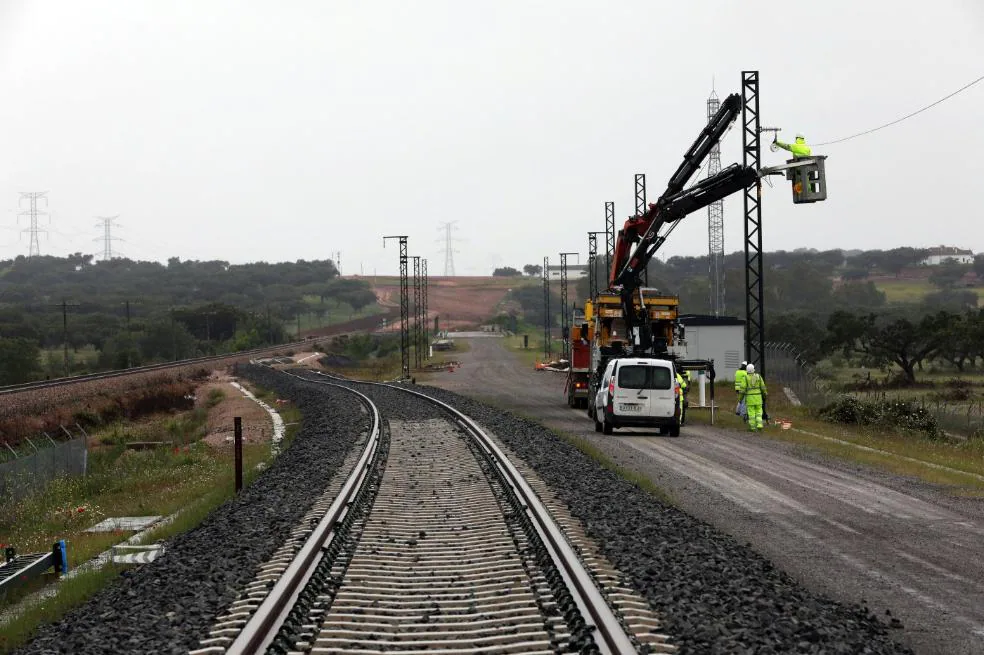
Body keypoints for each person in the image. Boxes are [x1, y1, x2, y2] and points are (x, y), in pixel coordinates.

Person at [738, 363, 768, 431]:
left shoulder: (745, 378)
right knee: (759, 412)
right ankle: (760, 424)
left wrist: (740, 399)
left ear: (747, 370)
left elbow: (742, 391)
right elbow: (763, 387)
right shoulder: (759, 377)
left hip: (750, 399)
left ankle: (753, 427)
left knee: (751, 414)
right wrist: (765, 394)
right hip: (758, 398)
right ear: (754, 370)